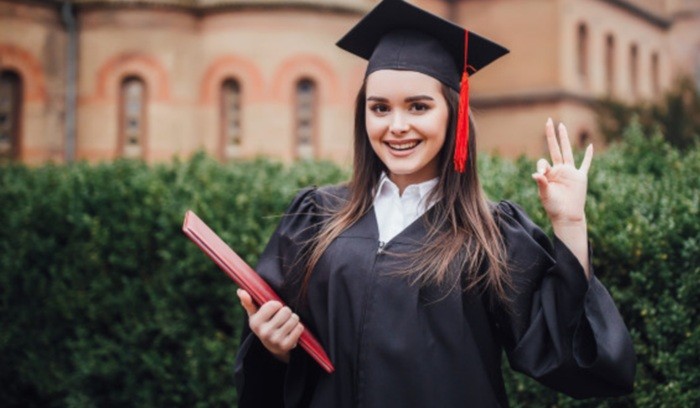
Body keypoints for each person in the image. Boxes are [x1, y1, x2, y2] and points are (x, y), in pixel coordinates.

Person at [233, 0, 636, 407]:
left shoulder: (491, 236)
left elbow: (574, 358)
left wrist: (570, 224)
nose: (397, 126)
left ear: (453, 115)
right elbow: (275, 361)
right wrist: (275, 349)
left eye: (419, 106)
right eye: (380, 108)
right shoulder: (317, 219)